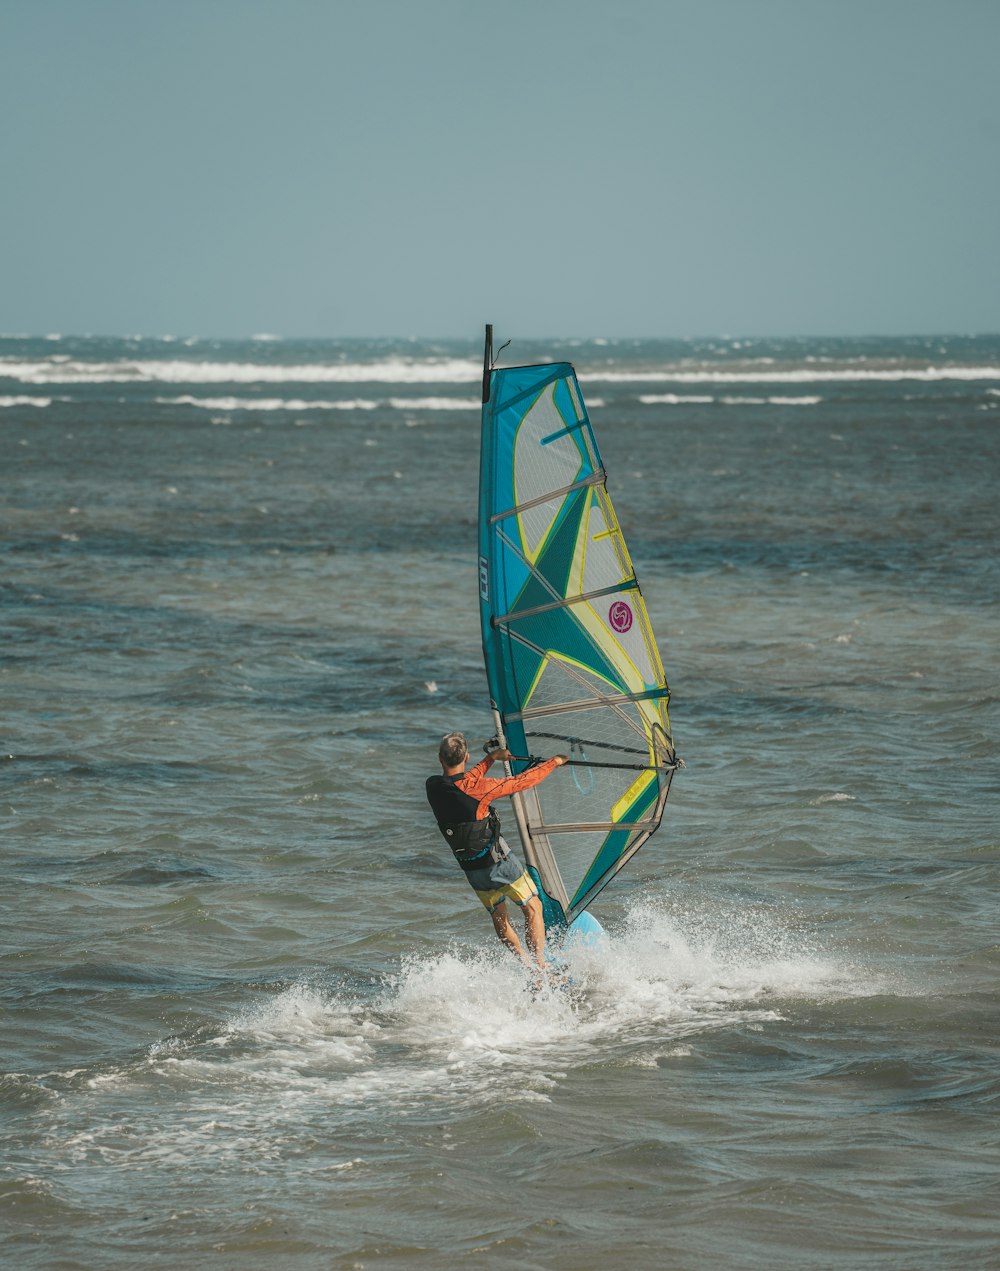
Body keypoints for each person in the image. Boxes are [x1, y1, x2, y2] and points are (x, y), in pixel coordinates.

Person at [426, 732, 568, 973]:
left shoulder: (432, 786)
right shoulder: (479, 789)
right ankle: (541, 967)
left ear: (440, 758)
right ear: (467, 756)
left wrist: (491, 759)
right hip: (499, 863)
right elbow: (522, 782)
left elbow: (461, 781)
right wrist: (554, 762)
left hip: (472, 870)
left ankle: (526, 965)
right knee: (533, 907)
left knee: (499, 917)